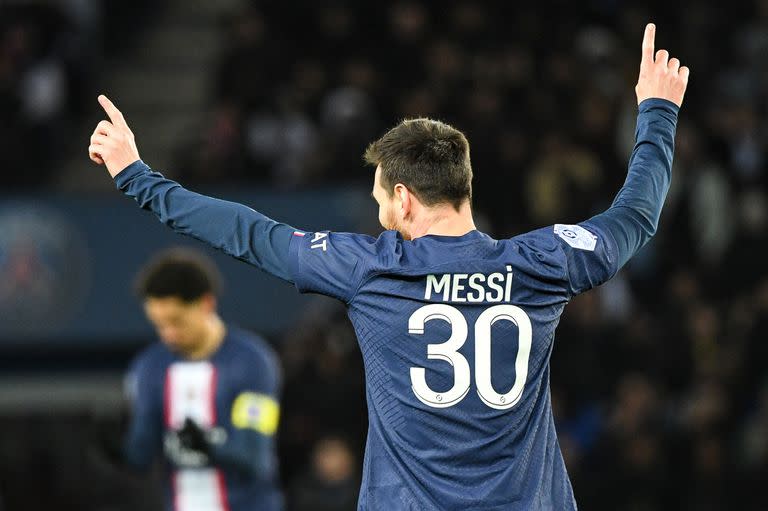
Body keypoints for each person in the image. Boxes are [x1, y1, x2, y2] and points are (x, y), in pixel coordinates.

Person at [88, 23, 688, 510]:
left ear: (403, 198)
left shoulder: (370, 269)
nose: (379, 216)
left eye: (380, 201)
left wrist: (137, 177)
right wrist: (657, 113)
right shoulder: (541, 264)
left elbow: (248, 232)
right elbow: (633, 218)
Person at [123, 248, 284, 511]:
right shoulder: (149, 368)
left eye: (176, 321)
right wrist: (119, 450)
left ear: (206, 304)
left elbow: (255, 456)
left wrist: (206, 446)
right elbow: (141, 455)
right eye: (159, 324)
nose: (168, 334)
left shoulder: (252, 362)